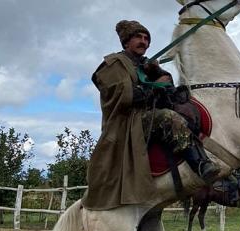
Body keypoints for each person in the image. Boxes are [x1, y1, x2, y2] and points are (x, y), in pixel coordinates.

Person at [82, 20, 220, 210]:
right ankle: (201, 165)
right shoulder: (114, 64)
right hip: (127, 123)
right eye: (138, 37)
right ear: (126, 42)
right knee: (168, 118)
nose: (143, 41)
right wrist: (156, 86)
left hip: (146, 117)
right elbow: (126, 96)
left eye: (146, 38)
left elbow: (168, 91)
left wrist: (158, 73)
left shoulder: (146, 65)